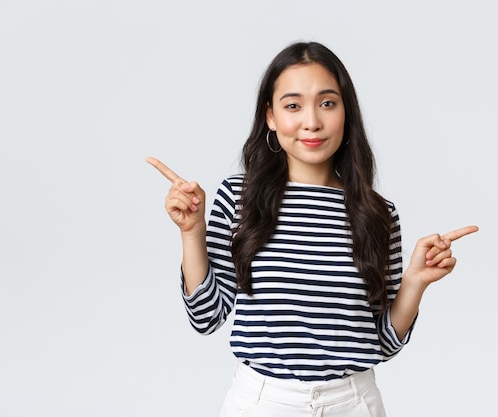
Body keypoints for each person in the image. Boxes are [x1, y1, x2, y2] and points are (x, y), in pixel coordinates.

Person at [147, 41, 478, 417]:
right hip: (262, 404)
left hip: (353, 403)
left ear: (345, 113)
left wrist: (415, 281)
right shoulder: (238, 197)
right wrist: (192, 232)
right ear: (270, 116)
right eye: (293, 106)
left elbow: (383, 344)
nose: (312, 122)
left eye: (327, 103)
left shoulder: (378, 213)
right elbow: (206, 317)